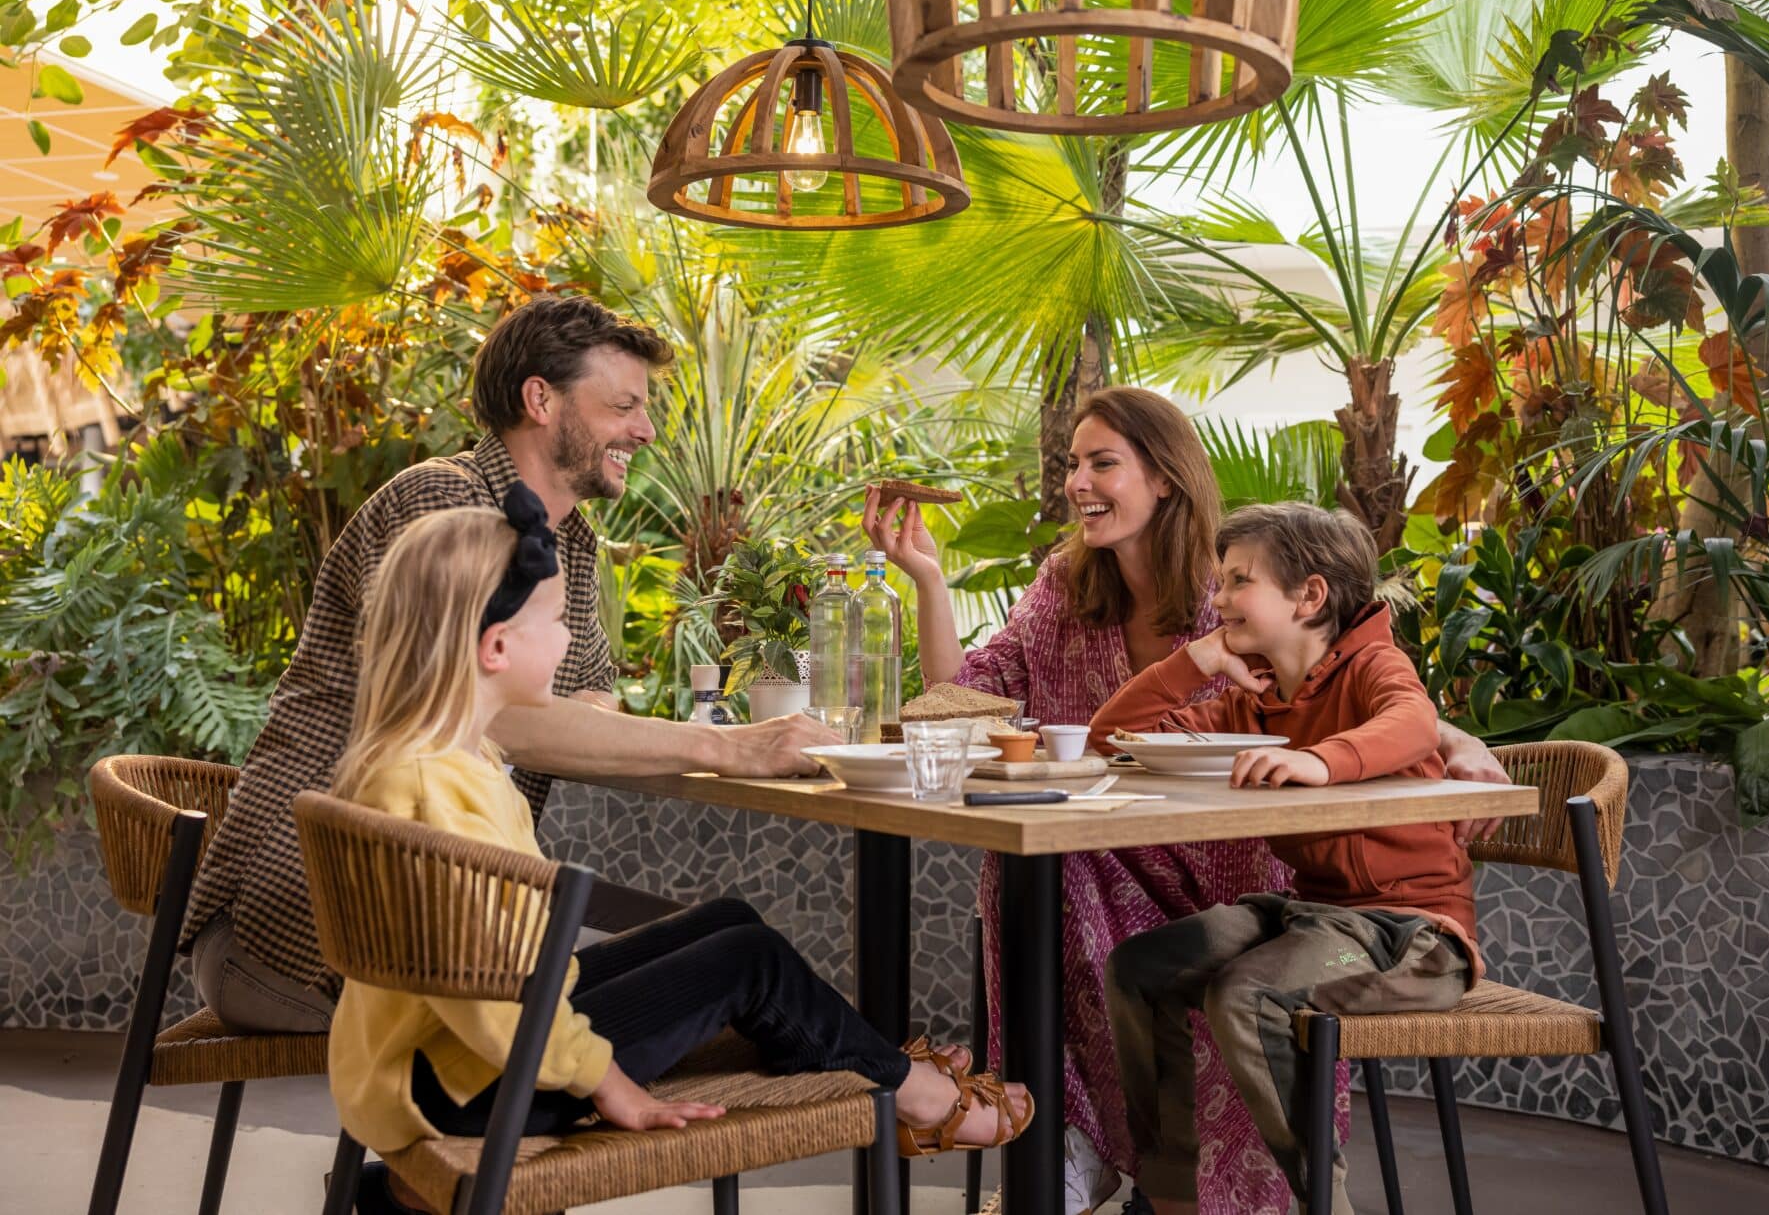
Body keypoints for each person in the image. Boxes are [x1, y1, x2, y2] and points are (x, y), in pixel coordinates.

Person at [864, 387, 1508, 1214]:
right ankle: (1086, 1144)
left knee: (1073, 869)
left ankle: (1146, 1162)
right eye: (1072, 463)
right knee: (1044, 863)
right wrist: (927, 579)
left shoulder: (1237, 591)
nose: (1076, 482)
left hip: (1249, 857)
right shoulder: (1070, 586)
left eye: (1103, 463)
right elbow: (964, 696)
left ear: (1164, 478)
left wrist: (1450, 738)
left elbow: (1359, 691)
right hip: (1123, 843)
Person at [326, 494, 1030, 1214]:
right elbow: (485, 997)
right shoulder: (434, 788)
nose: (570, 643)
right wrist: (607, 1081)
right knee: (747, 960)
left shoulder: (432, 758)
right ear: (496, 648)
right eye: (560, 623)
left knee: (728, 921)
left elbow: (489, 979)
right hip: (471, 1086)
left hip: (439, 1060)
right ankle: (911, 1093)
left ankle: (859, 1056)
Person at [184, 293, 838, 1035]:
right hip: (302, 940)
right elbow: (497, 715)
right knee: (718, 990)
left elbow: (586, 704)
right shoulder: (448, 507)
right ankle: (886, 1101)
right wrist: (722, 745)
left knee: (726, 939)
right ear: (540, 400)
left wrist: (598, 722)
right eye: (622, 406)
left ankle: (885, 1094)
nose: (645, 430)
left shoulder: (575, 545)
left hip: (431, 935)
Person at [1092, 504, 1479, 1215]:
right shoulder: (1257, 698)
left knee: (1247, 994)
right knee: (1141, 968)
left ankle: (1322, 1206)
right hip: (1312, 919)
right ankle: (1170, 1192)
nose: (1218, 599)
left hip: (1410, 937)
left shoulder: (1373, 667)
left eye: (1240, 581)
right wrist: (1195, 661)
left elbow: (1413, 721)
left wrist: (1320, 764)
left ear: (1310, 596)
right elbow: (1110, 737)